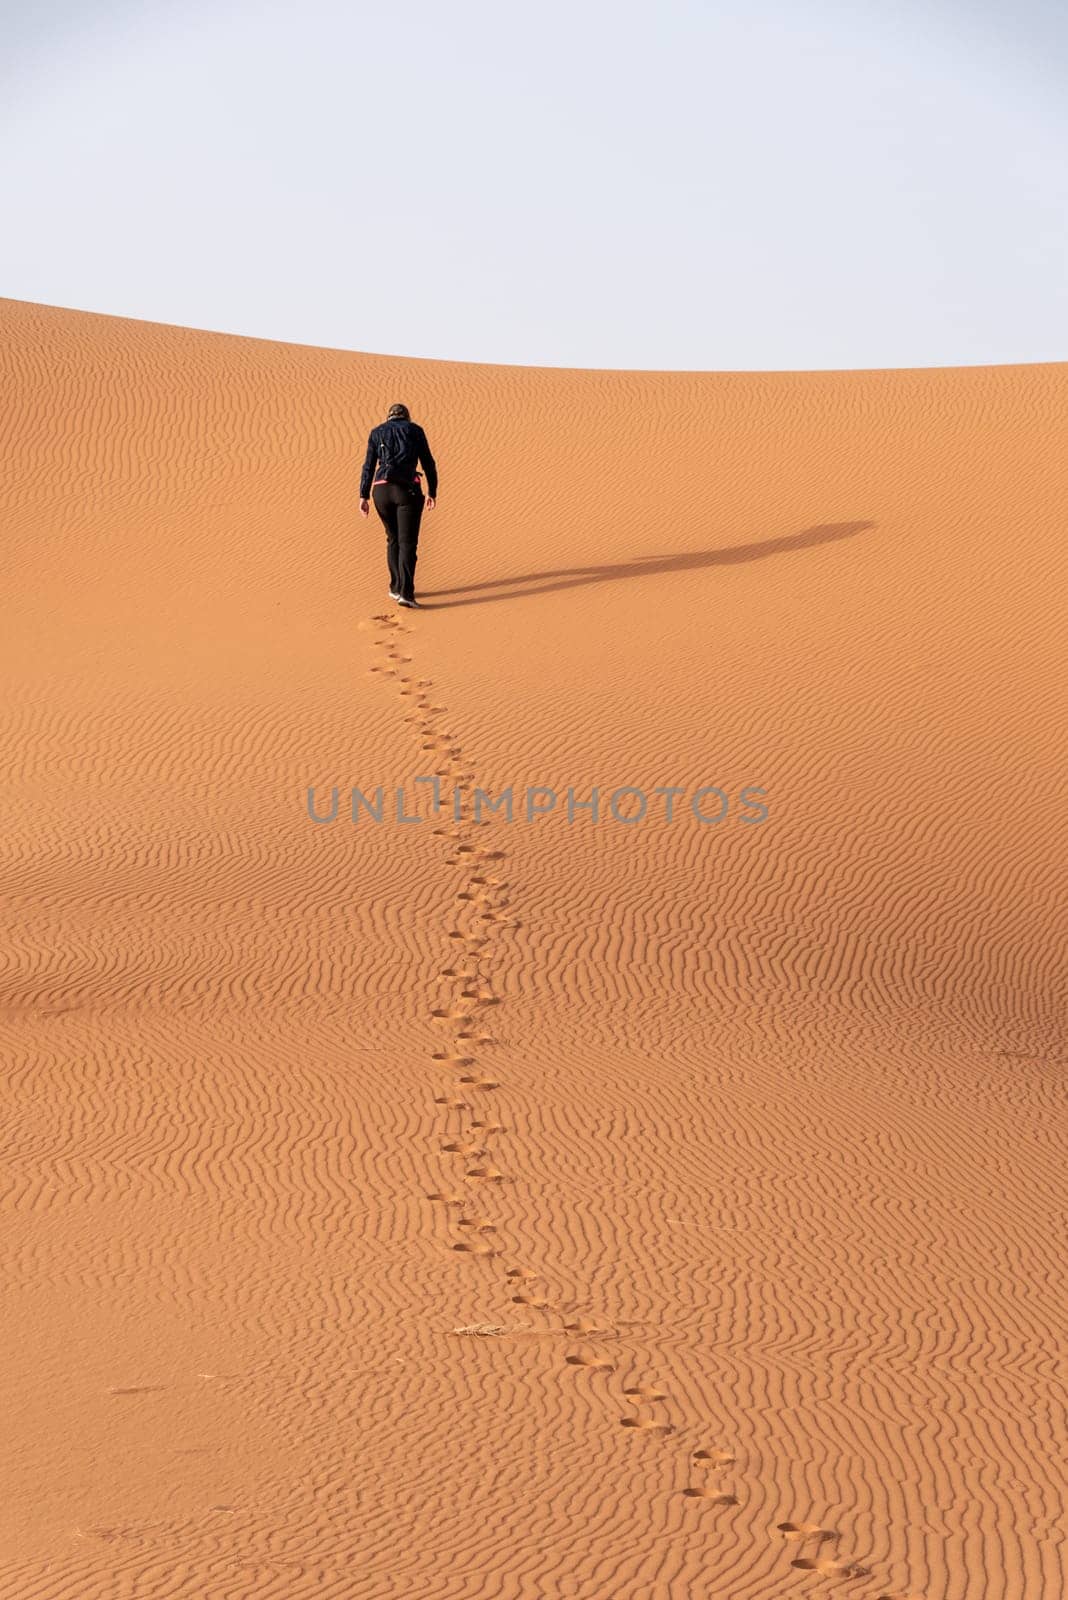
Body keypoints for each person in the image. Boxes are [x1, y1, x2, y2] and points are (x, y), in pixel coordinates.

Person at [358, 403, 438, 608]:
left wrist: (363, 495)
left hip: (380, 491)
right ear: (406, 417)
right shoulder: (414, 430)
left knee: (392, 539)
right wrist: (432, 491)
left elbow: (368, 465)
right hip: (406, 490)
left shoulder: (376, 432)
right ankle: (406, 594)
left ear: (389, 417)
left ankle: (395, 587)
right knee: (407, 543)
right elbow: (428, 462)